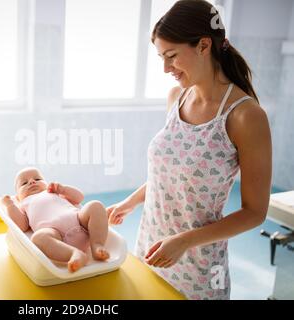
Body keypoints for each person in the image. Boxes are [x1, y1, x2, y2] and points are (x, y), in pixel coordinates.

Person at [107, 0, 272, 300]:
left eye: (171, 56)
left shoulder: (246, 116)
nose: (165, 68)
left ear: (203, 45)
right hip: (152, 247)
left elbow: (255, 213)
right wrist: (130, 202)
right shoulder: (177, 97)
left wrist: (184, 241)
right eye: (161, 57)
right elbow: (170, 171)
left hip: (199, 269)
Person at [1, 167, 110, 273]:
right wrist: (10, 205)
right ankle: (73, 254)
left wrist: (63, 189)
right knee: (38, 238)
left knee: (95, 205)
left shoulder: (53, 192)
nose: (32, 182)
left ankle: (97, 245)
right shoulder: (23, 204)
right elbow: (21, 226)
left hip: (79, 221)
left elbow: (79, 198)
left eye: (37, 179)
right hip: (56, 236)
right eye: (24, 183)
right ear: (18, 197)